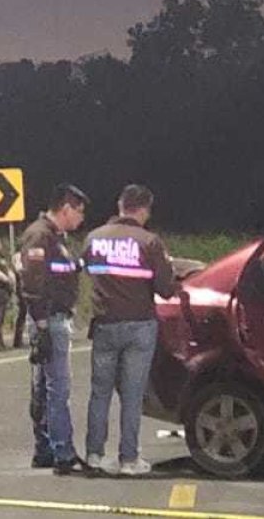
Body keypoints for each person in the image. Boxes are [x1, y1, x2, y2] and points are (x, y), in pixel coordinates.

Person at [82, 184, 181, 476]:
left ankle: (94, 455)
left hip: (104, 324)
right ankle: (128, 459)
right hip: (139, 326)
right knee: (132, 393)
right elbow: (165, 289)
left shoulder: (94, 238)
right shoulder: (149, 242)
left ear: (120, 205)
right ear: (143, 209)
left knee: (99, 393)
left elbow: (89, 271)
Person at [18, 182, 89, 474]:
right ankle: (63, 453)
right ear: (66, 208)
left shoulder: (55, 237)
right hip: (49, 320)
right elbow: (33, 285)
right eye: (79, 212)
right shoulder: (39, 236)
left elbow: (62, 272)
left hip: (53, 318)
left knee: (45, 389)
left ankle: (46, 448)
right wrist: (43, 325)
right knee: (57, 388)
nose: (81, 219)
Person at [10, 251, 28, 349]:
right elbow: (19, 270)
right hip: (22, 287)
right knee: (23, 313)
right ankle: (18, 340)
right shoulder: (18, 256)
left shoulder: (24, 255)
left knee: (24, 313)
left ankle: (19, 339)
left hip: (25, 286)